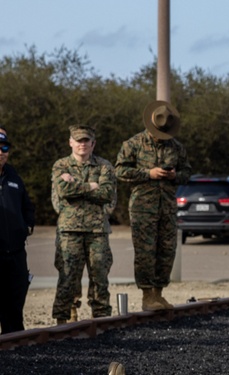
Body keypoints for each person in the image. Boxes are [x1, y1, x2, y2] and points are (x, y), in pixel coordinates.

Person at [115, 100, 192, 311]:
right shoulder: (133, 144)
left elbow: (187, 173)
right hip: (143, 207)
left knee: (167, 250)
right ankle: (147, 295)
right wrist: (148, 174)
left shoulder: (176, 147)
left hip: (167, 206)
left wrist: (175, 175)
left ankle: (159, 293)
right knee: (145, 252)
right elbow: (120, 171)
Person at [51, 125, 117, 325]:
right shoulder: (61, 165)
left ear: (93, 143)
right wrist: (90, 186)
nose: (82, 144)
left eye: (86, 141)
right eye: (78, 141)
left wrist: (75, 186)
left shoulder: (105, 167)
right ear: (70, 142)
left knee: (100, 275)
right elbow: (62, 190)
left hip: (97, 230)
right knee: (68, 275)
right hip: (69, 230)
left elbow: (107, 193)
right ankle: (63, 320)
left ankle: (101, 318)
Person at [0, 130, 35, 334]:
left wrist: (27, 226)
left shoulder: (14, 177)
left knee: (14, 303)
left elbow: (28, 207)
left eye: (5, 148)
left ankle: (15, 348)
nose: (1, 152)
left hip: (15, 254)